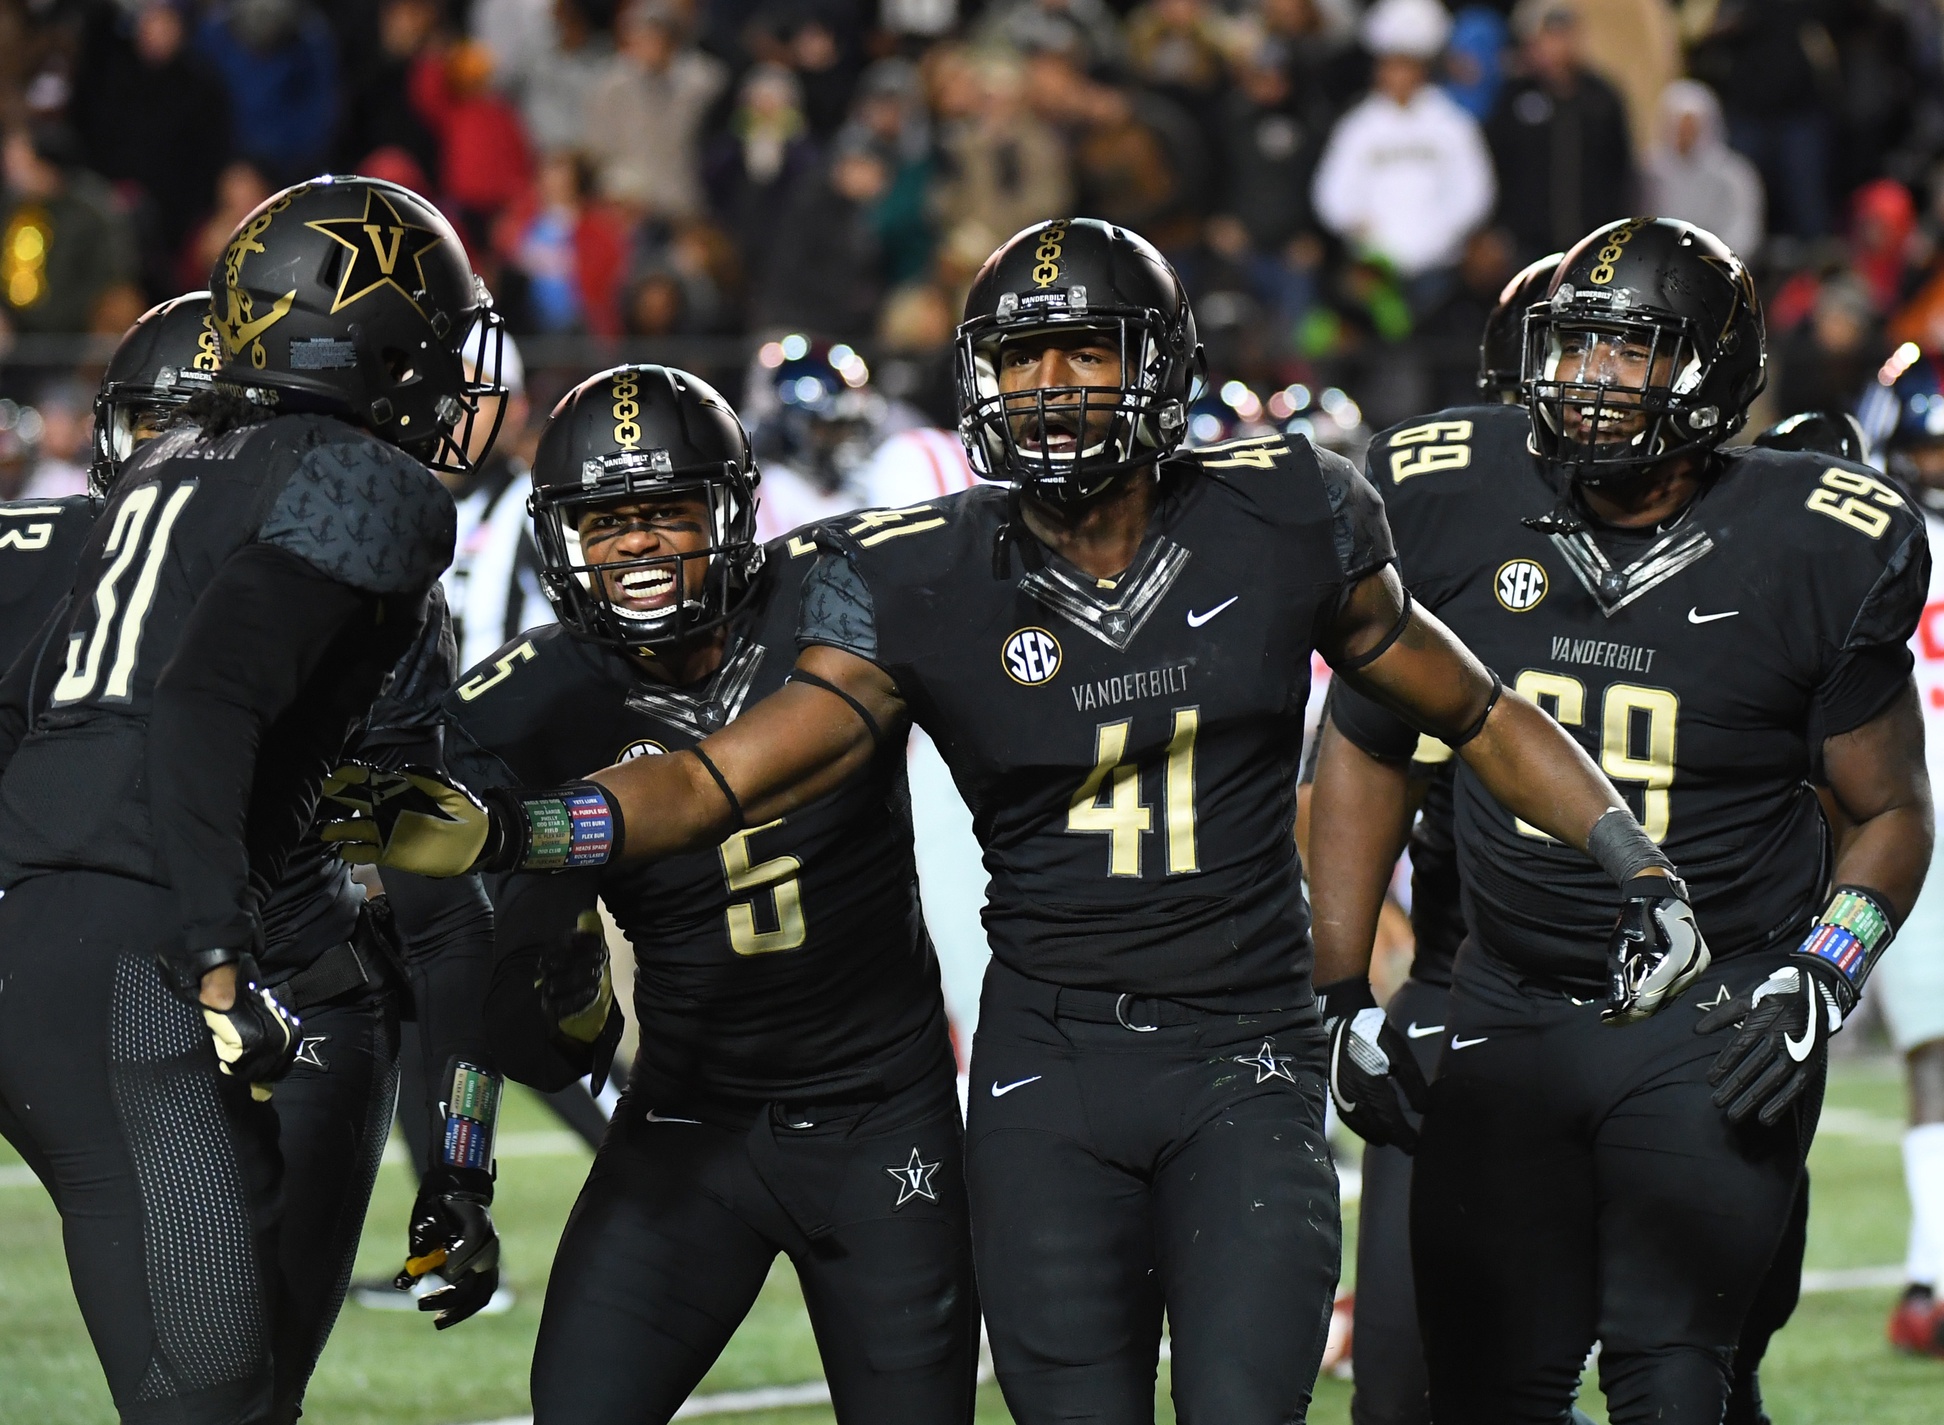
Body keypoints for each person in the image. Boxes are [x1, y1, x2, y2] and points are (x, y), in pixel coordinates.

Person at [325, 218, 1701, 1425]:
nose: (1046, 389)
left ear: (1153, 363)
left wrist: (1631, 858)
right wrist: (517, 837)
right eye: (1020, 358)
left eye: (1081, 353)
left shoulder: (1289, 513)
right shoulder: (925, 576)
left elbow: (1474, 709)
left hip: (1244, 1054)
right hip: (1050, 1066)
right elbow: (711, 780)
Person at [1309, 217, 1932, 1424]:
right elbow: (1365, 746)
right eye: (1576, 348)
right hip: (1511, 997)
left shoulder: (1818, 541)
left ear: (1714, 369)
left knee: (1676, 1374)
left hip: (1718, 1008)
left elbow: (1890, 810)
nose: (1591, 381)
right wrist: (1340, 993)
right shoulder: (1444, 490)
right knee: (1482, 1386)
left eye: (1631, 352)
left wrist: (1823, 969)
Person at [0, 175, 505, 1425]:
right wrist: (221, 956)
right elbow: (205, 703)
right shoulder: (363, 492)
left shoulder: (149, 484)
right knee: (219, 1395)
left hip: (69, 934)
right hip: (156, 954)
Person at [385, 363, 980, 1423]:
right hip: (689, 1124)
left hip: (883, 1116)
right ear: (563, 537)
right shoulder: (528, 701)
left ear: (732, 510)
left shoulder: (833, 596)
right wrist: (459, 1172)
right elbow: (472, 973)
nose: (639, 545)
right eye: (607, 522)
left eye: (665, 511)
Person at [1861, 350, 1944, 1358]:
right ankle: (1930, 1272)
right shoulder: (1872, 549)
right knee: (1934, 1054)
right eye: (1929, 444)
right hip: (1910, 822)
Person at [1311, 0, 1496, 313]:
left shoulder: (1451, 122)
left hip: (1441, 272)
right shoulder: (1358, 125)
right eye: (1390, 65)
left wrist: (1442, 232)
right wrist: (1356, 226)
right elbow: (1331, 192)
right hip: (1374, 275)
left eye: (1405, 66)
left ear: (1421, 69)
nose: (1397, 75)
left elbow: (1475, 189)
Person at [746, 336, 887, 542]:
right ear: (793, 426)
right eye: (832, 428)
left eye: (849, 427)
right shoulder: (773, 494)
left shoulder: (862, 489)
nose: (846, 439)